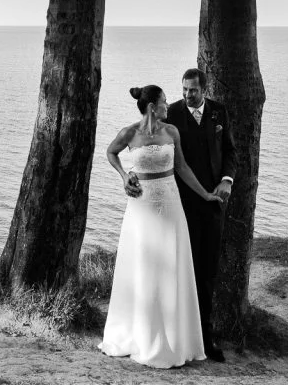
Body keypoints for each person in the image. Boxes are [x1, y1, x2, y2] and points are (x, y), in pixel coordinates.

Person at [98, 84, 223, 369]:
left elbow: (182, 168)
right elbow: (111, 153)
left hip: (170, 205)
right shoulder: (129, 133)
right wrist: (123, 176)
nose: (169, 105)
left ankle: (175, 337)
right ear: (153, 106)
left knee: (171, 265)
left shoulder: (171, 132)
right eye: (165, 102)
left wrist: (205, 194)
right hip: (140, 209)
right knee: (143, 266)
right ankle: (140, 335)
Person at [165, 67, 237, 363]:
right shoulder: (171, 113)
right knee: (178, 270)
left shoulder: (219, 112)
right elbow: (154, 144)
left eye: (192, 90)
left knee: (206, 273)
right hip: (179, 204)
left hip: (212, 205)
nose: (187, 95)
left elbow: (231, 152)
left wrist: (227, 180)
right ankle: (178, 335)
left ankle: (206, 339)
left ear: (204, 89)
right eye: (183, 89)